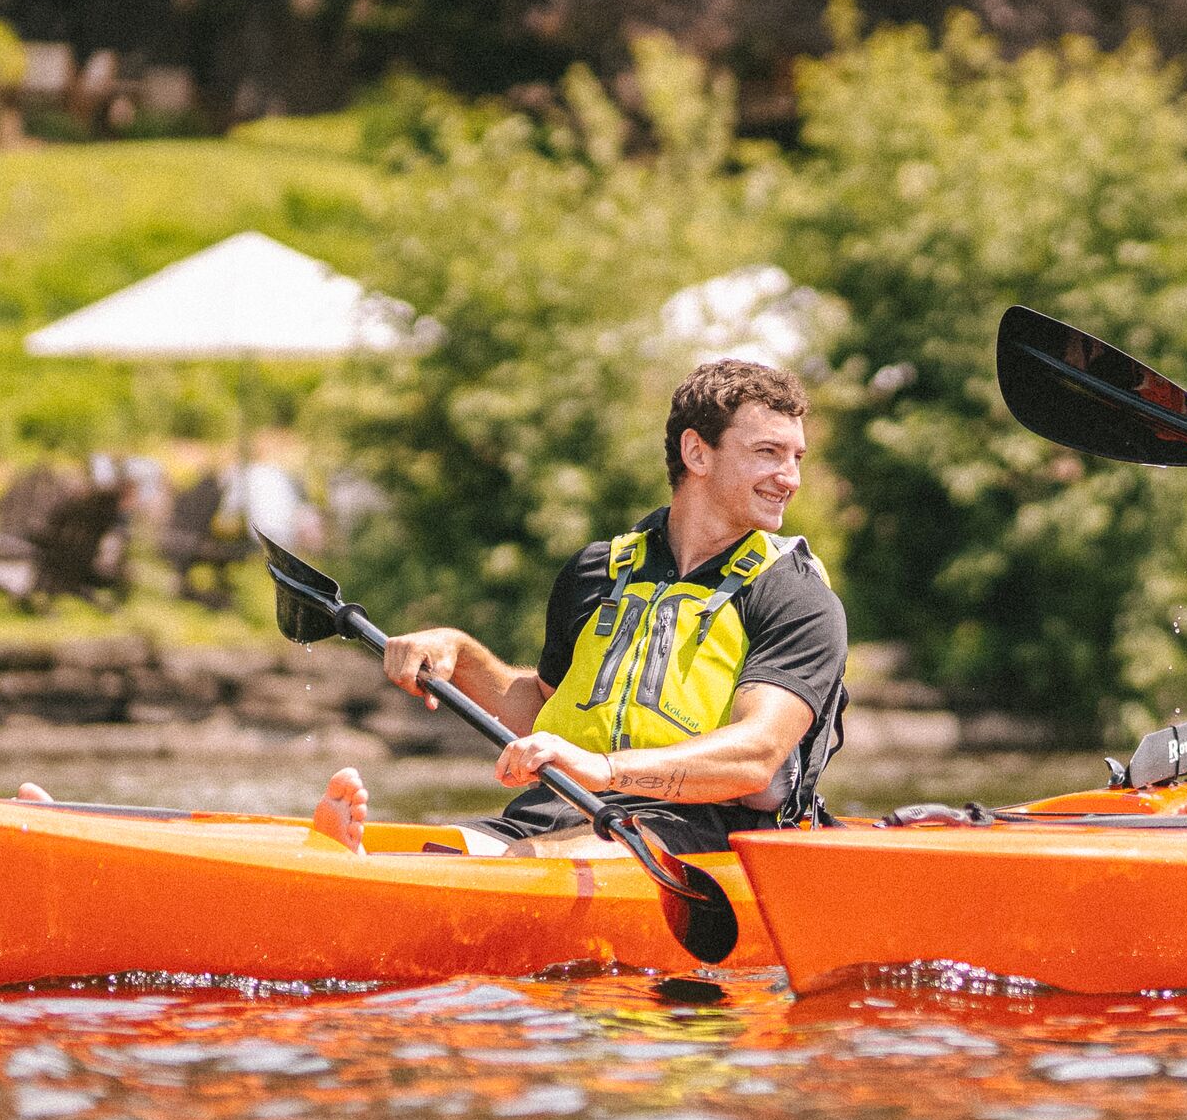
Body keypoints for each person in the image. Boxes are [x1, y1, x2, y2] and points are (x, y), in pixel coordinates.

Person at [334, 357, 850, 857]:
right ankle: (353, 869)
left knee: (531, 862)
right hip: (559, 807)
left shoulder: (795, 595)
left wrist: (604, 769)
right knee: (433, 849)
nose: (790, 477)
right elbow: (546, 714)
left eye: (796, 457)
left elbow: (757, 755)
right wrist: (461, 654)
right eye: (768, 453)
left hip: (706, 827)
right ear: (697, 453)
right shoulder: (596, 571)